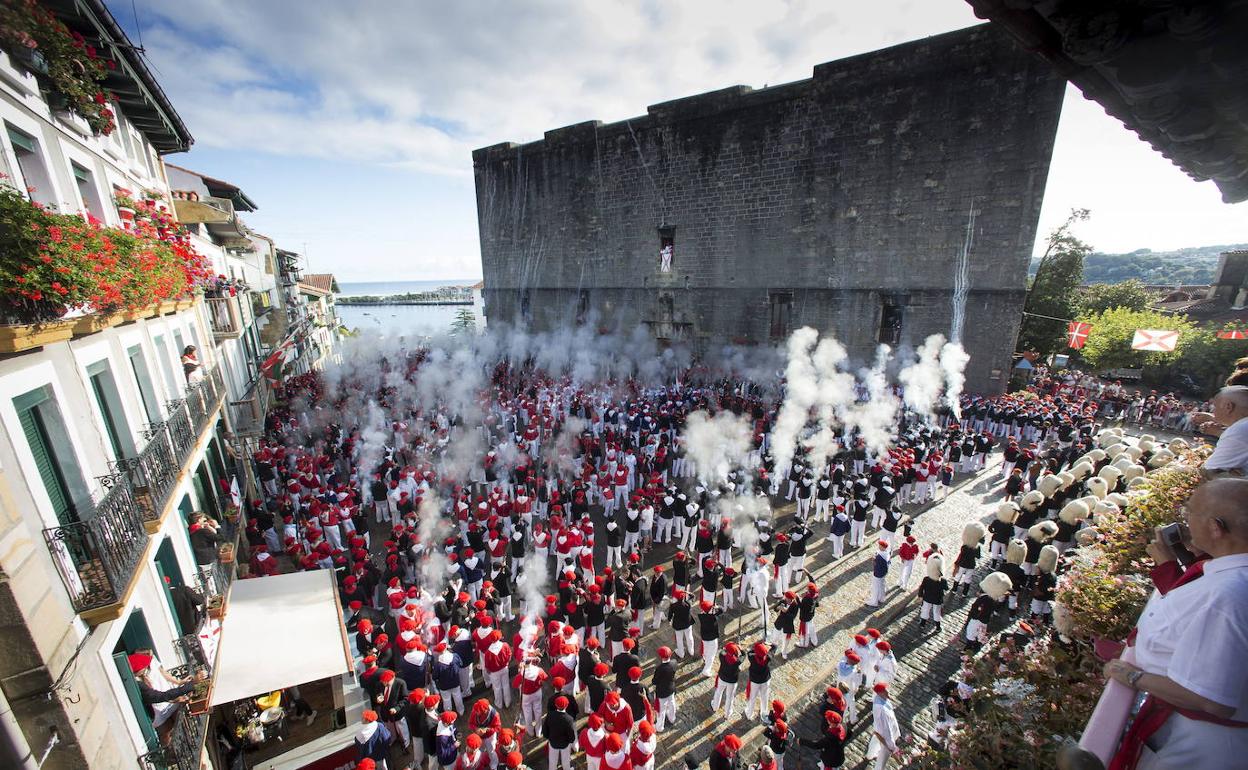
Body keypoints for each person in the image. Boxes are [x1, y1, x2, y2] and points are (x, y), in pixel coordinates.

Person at [1103, 478, 1248, 769]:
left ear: (1215, 528)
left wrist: (1131, 675)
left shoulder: (1229, 595)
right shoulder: (1229, 577)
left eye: (1189, 512)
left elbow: (1210, 698)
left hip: (1197, 745)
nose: (1185, 519)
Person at [1194, 386, 1248, 475]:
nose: (1213, 411)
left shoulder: (1239, 430)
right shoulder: (1242, 426)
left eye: (1215, 406)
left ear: (1228, 407)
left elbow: (1209, 470)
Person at [865, 683, 901, 770]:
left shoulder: (880, 699)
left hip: (879, 730)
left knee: (875, 740)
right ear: (880, 693)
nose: (888, 691)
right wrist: (892, 746)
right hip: (885, 737)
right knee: (883, 758)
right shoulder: (882, 710)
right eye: (885, 690)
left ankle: (870, 755)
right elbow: (886, 730)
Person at [544, 695, 577, 770]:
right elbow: (571, 735)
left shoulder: (550, 715)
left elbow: (545, 729)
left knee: (552, 761)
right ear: (566, 706)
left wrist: (548, 737)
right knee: (566, 761)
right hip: (565, 744)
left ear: (556, 705)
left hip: (553, 743)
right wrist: (570, 741)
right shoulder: (569, 719)